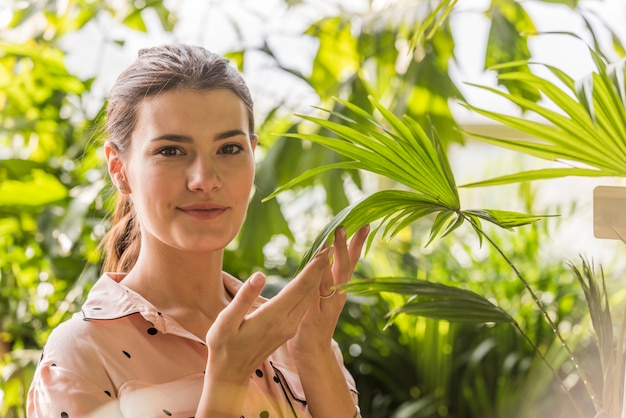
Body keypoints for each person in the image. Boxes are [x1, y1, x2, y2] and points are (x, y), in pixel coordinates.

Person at [27, 44, 370, 418]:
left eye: (229, 148)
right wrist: (228, 375)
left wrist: (315, 351)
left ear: (253, 154)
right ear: (118, 168)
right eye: (171, 151)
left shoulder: (293, 334)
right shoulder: (80, 355)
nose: (205, 180)